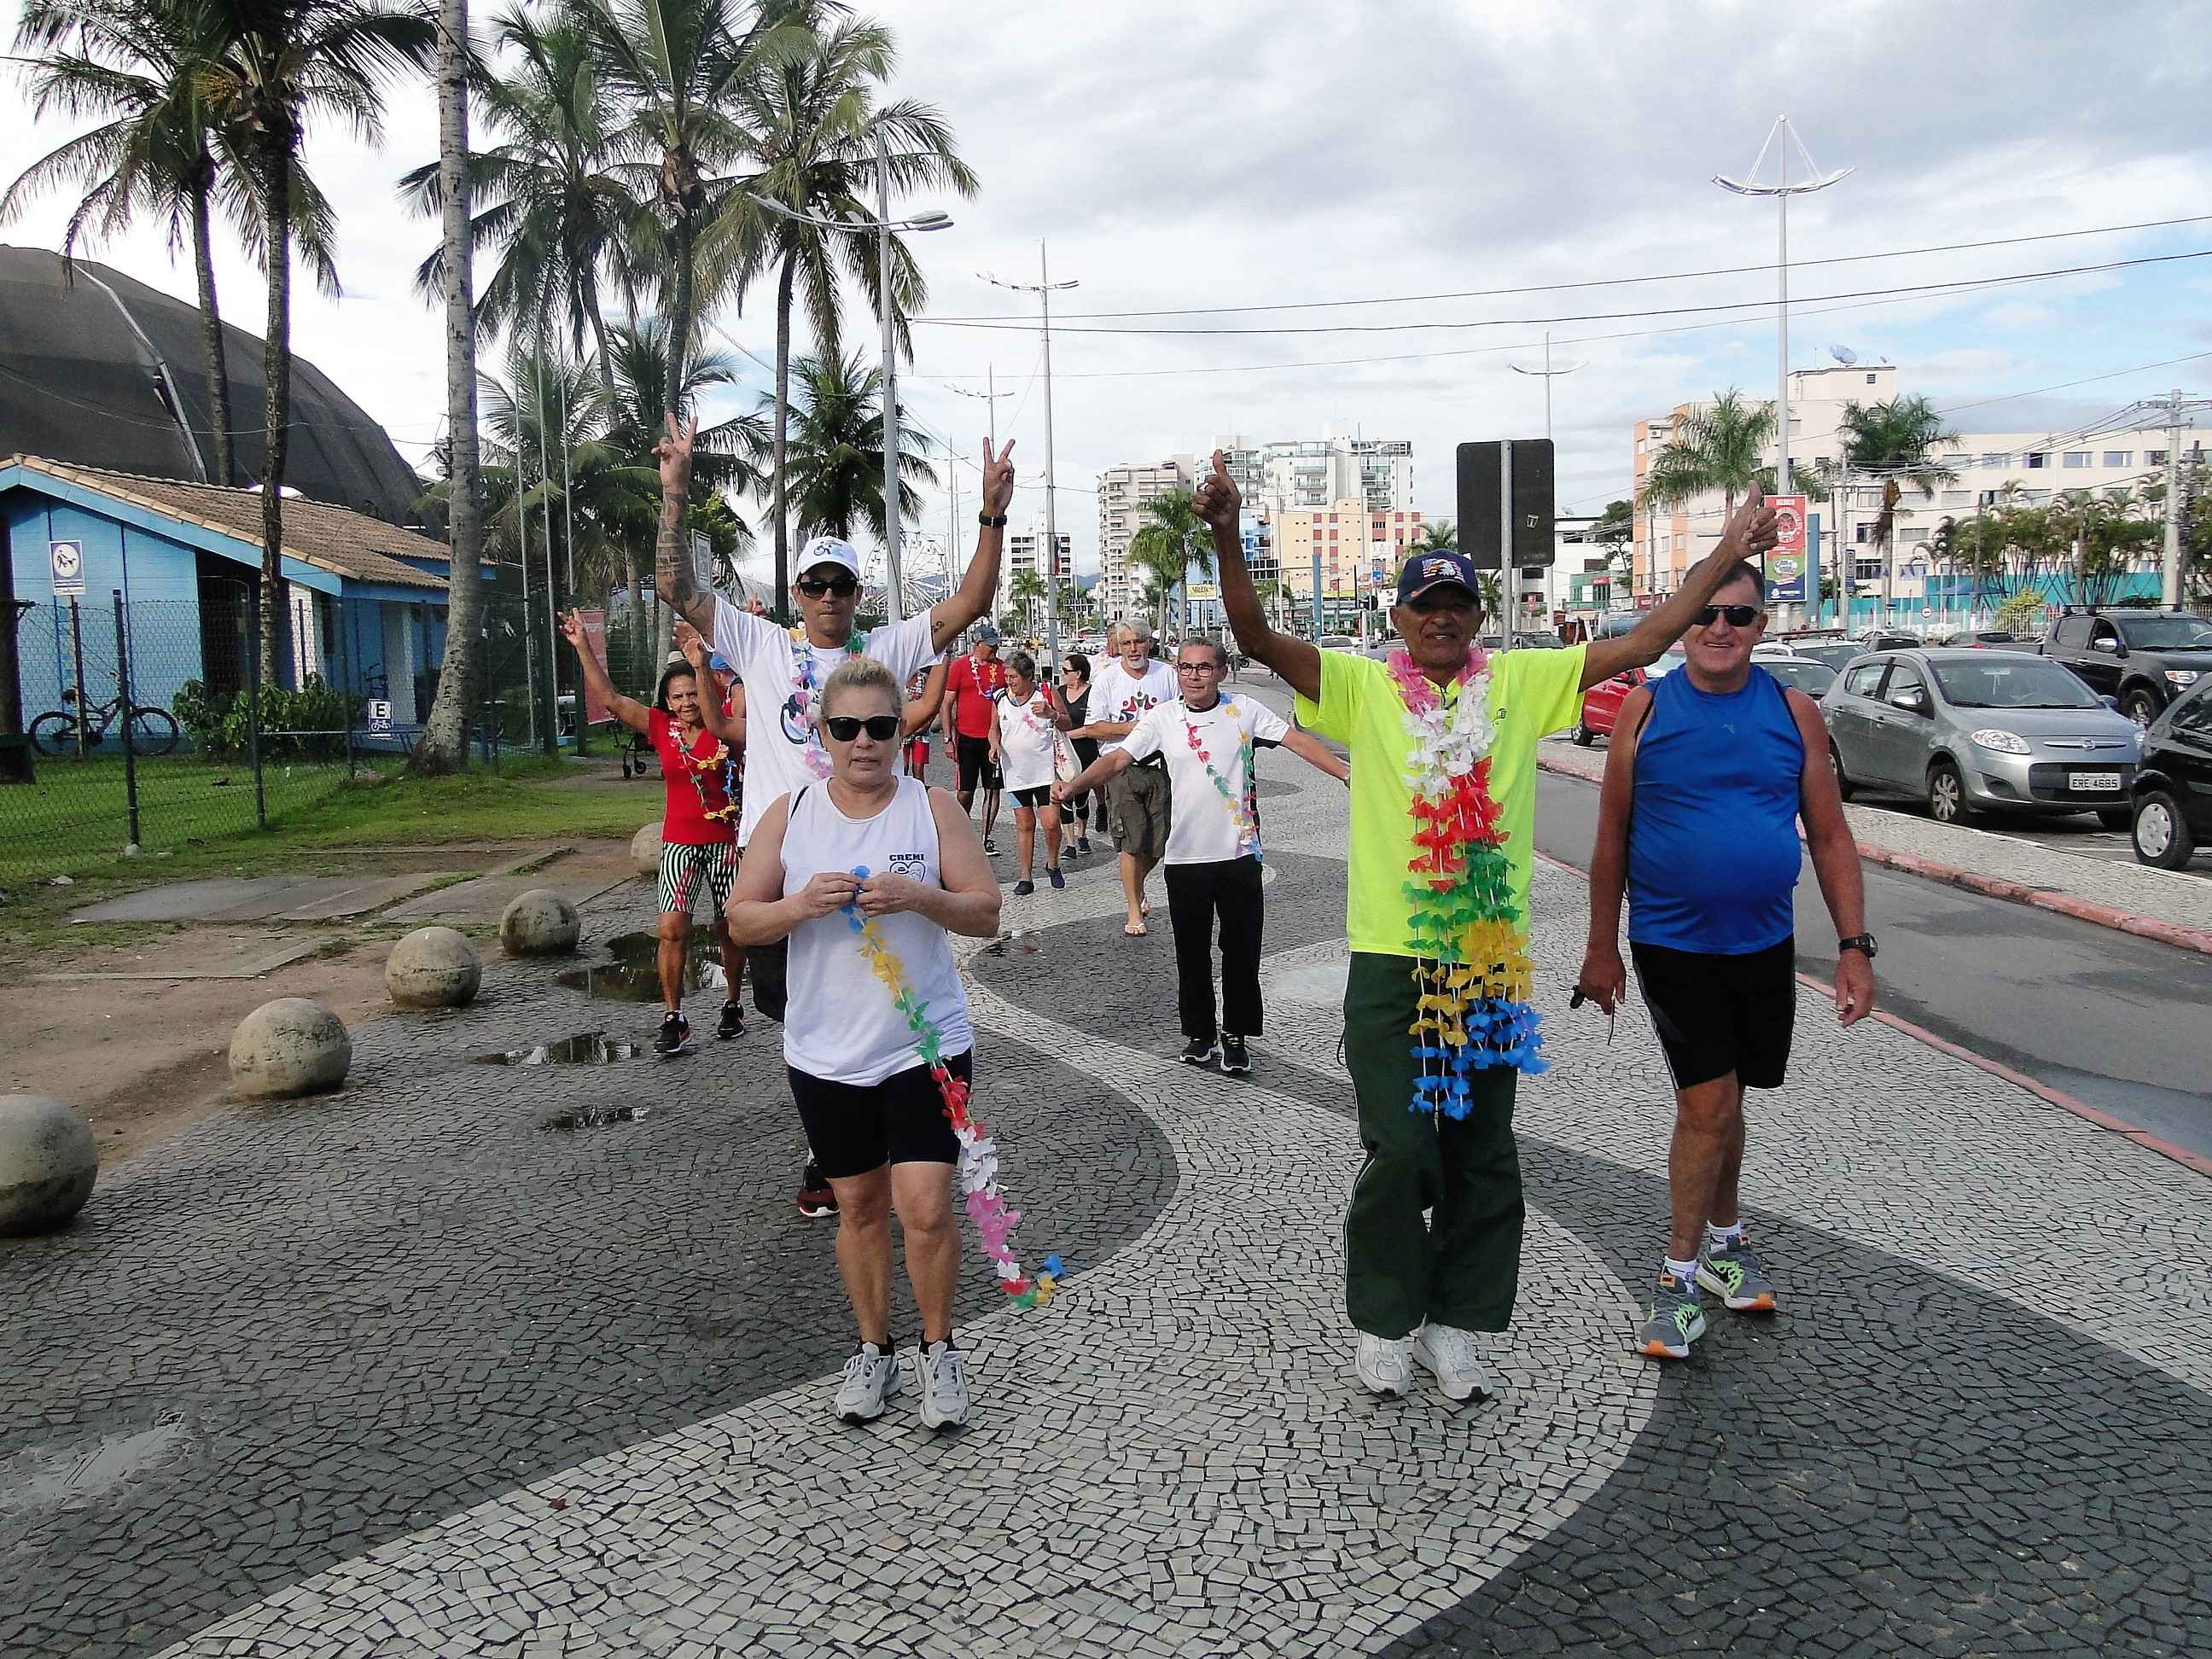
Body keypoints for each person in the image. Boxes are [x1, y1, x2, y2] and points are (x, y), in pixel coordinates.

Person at [1206, 449, 1781, 1405]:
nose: (1439, 618)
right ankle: (1387, 1321)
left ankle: (1457, 1325)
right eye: (1422, 604)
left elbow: (1642, 643)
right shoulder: (1360, 688)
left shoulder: (1518, 685)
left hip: (1488, 963)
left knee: (1482, 1152)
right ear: (1397, 619)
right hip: (1393, 959)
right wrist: (1228, 533)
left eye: (1455, 605)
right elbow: (1259, 637)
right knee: (1400, 1149)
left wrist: (1726, 548)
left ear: (1477, 618)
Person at [655, 416, 1015, 1216]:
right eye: (814, 585)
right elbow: (677, 591)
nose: (826, 597)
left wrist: (991, 513)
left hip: (884, 853)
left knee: (884, 998)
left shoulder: (886, 645)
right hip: (784, 863)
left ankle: (870, 1142)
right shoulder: (760, 644)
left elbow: (970, 600)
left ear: (859, 595)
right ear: (797, 595)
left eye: (840, 586)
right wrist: (675, 493)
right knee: (789, 1004)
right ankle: (836, 1128)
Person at [1575, 565, 1877, 1362]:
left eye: (1738, 616)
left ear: (1762, 623)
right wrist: (1601, 947)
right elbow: (1609, 841)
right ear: (1682, 622)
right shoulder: (1645, 708)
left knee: (1731, 1099)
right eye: (1705, 612)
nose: (1719, 628)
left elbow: (1832, 836)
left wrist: (1853, 947)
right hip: (1672, 944)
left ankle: (1728, 1238)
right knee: (1707, 1104)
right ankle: (1677, 1284)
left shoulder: (1794, 712)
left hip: (1762, 946)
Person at [725, 657, 1001, 1428]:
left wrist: (920, 896)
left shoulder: (933, 806)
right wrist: (798, 906)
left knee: (926, 1205)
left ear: (902, 731)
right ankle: (874, 1350)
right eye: (846, 728)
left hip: (925, 1045)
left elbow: (985, 912)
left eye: (881, 726)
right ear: (823, 733)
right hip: (826, 1052)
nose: (864, 742)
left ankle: (938, 1350)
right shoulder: (791, 813)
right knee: (859, 1208)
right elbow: (741, 922)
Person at [1057, 638, 1346, 1074]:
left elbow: (1294, 741)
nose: (1194, 676)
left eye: (1204, 668)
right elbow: (1117, 759)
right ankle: (1199, 1034)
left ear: (1222, 672)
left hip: (1239, 853)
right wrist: (1076, 786)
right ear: (1177, 672)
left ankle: (1237, 1034)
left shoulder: (1244, 710)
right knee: (1191, 951)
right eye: (1186, 668)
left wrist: (1346, 772)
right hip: (1185, 857)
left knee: (1241, 950)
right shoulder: (1162, 719)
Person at [561, 610, 744, 1056]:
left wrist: (713, 657)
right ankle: (674, 1016)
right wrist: (583, 645)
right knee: (671, 929)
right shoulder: (662, 728)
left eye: (691, 694)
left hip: (726, 843)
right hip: (679, 843)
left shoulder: (732, 727)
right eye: (676, 696)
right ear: (666, 701)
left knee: (730, 929)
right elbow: (609, 698)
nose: (685, 703)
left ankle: (733, 1003)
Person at [1073, 620, 1179, 936]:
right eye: (1127, 643)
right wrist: (1134, 728)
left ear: (1149, 643)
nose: (1134, 649)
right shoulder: (1107, 680)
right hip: (1121, 768)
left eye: (1139, 642)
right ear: (1118, 646)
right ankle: (1134, 909)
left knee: (1160, 843)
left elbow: (1181, 714)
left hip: (1161, 766)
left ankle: (1138, 884)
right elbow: (1094, 728)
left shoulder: (1167, 675)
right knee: (1131, 843)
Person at [988, 651, 1072, 896]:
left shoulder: (1046, 693)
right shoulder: (1000, 698)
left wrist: (1051, 714)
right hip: (1016, 774)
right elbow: (993, 730)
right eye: (1006, 676)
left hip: (1046, 773)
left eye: (1013, 676)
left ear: (1027, 676)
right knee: (1024, 824)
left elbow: (1068, 723)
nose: (1009, 681)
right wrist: (994, 745)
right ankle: (1025, 876)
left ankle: (1053, 863)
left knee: (1051, 823)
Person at [943, 630, 1008, 853]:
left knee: (993, 790)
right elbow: (947, 703)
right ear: (977, 644)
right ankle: (962, 832)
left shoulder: (1001, 668)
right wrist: (947, 738)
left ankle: (986, 836)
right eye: (990, 645)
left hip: (994, 740)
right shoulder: (960, 667)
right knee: (965, 791)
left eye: (996, 645)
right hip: (966, 737)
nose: (994, 649)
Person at [1057, 653, 1100, 856]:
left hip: (1086, 749)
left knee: (1082, 796)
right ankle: (1070, 843)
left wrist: (1069, 734)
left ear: (1078, 673)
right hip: (1065, 751)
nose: (1063, 674)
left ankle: (1083, 836)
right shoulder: (1060, 692)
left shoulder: (1092, 693)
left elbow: (1093, 727)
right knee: (1065, 795)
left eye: (1066, 671)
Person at [902, 653, 950, 780]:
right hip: (902, 729)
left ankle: (919, 795)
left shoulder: (923, 679)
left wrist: (925, 725)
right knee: (902, 767)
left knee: (918, 769)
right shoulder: (898, 679)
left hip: (922, 728)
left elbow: (932, 704)